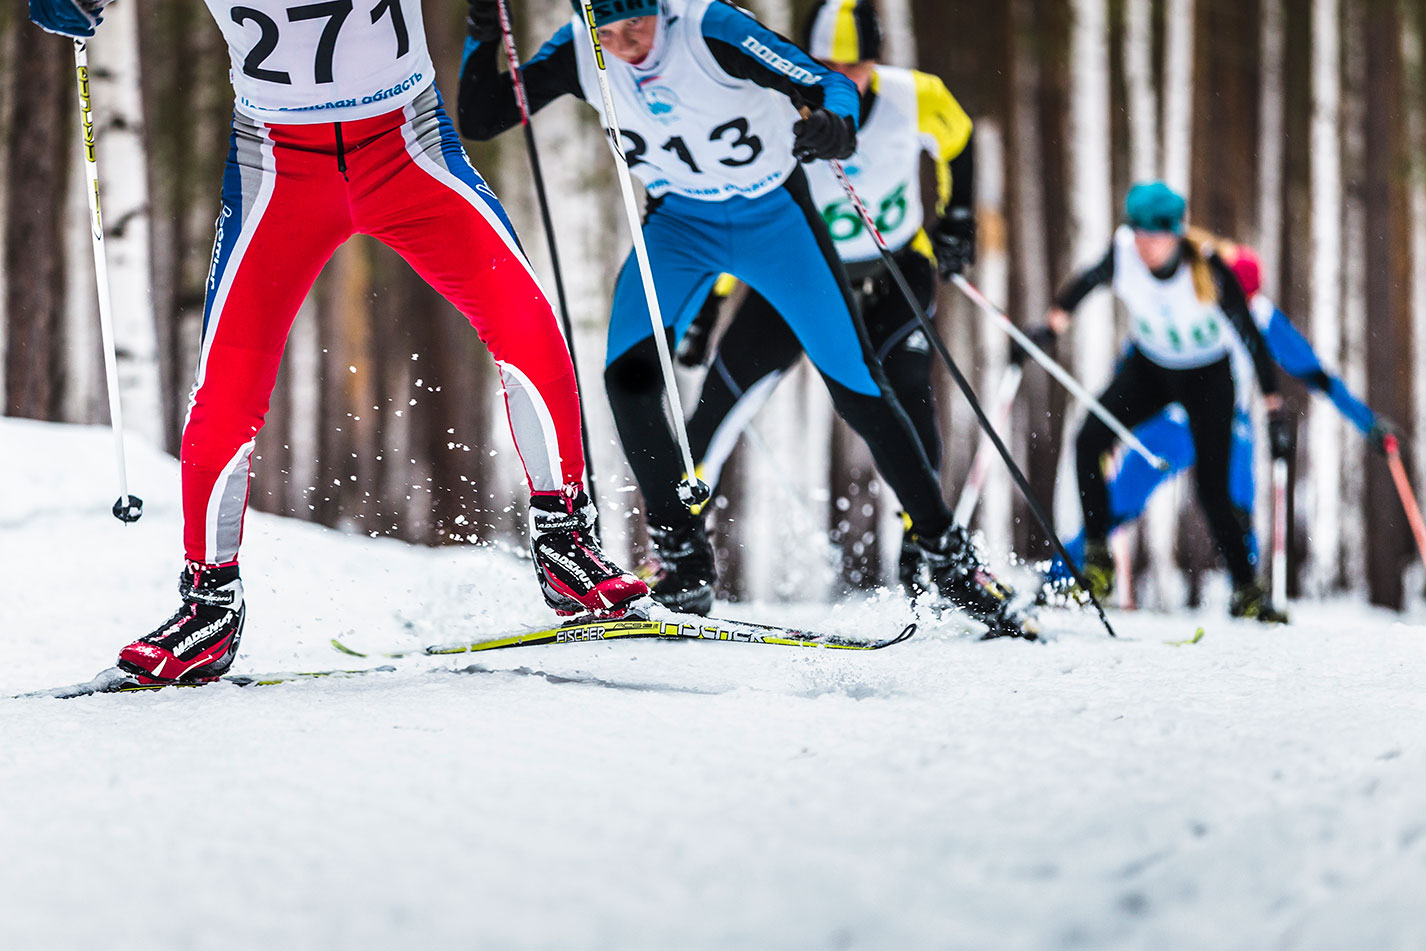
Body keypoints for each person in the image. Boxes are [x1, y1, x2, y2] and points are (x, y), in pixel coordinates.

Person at [28, 0, 647, 685]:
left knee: (527, 323)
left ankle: (565, 542)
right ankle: (208, 602)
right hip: (277, 166)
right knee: (226, 390)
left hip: (408, 146)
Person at [459, 0, 1029, 636]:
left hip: (773, 222)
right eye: (609, 34)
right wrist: (483, 38)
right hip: (679, 225)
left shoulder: (711, 29)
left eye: (637, 28)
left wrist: (836, 122)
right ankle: (682, 558)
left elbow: (826, 81)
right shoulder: (579, 48)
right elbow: (482, 117)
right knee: (628, 379)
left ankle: (947, 554)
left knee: (859, 386)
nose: (626, 48)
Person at [674, 0, 975, 593]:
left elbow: (958, 142)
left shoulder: (917, 96)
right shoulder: (774, 104)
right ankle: (677, 547)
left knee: (909, 398)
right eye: (824, 62)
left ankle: (926, 551)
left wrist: (957, 217)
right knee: (716, 404)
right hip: (802, 276)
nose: (840, 77)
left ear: (877, 61)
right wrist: (710, 304)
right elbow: (746, 210)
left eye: (855, 65)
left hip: (894, 270)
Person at [1047, 243, 1394, 580]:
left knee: (1236, 509)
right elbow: (1137, 360)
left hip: (1228, 425)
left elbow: (1315, 373)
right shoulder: (1191, 301)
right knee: (1117, 505)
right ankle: (1059, 577)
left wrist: (1367, 423)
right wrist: (1116, 421)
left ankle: (1246, 594)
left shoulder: (1260, 316)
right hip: (1172, 424)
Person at [1030, 181, 1288, 622]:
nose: (1146, 244)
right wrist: (1051, 327)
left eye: (1157, 234)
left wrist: (1272, 409)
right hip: (1150, 369)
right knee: (1089, 439)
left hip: (1208, 379)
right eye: (1140, 233)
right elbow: (1085, 284)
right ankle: (1096, 561)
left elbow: (1251, 337)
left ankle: (1247, 590)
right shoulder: (1125, 254)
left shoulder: (1207, 270)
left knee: (1213, 490)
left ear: (1176, 233)